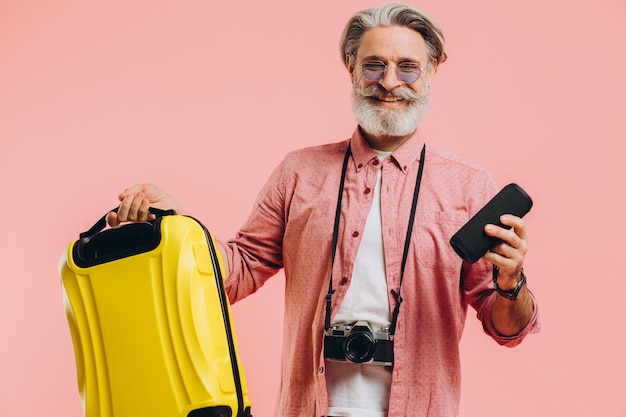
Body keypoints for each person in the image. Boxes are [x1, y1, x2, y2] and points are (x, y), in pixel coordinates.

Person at [107, 3, 540, 416]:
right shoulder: (299, 172)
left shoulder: (469, 185)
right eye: (374, 65)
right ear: (351, 67)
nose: (389, 81)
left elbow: (507, 330)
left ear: (430, 72)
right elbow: (236, 273)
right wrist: (180, 228)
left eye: (407, 66)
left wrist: (510, 280)